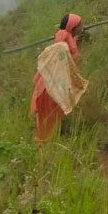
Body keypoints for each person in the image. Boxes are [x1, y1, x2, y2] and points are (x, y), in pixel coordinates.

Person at [30, 13, 83, 142]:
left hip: (60, 80)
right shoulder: (63, 36)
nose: (83, 28)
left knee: (55, 110)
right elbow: (60, 47)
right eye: (80, 26)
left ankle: (51, 138)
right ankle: (42, 142)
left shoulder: (70, 37)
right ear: (73, 26)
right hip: (53, 81)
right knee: (48, 110)